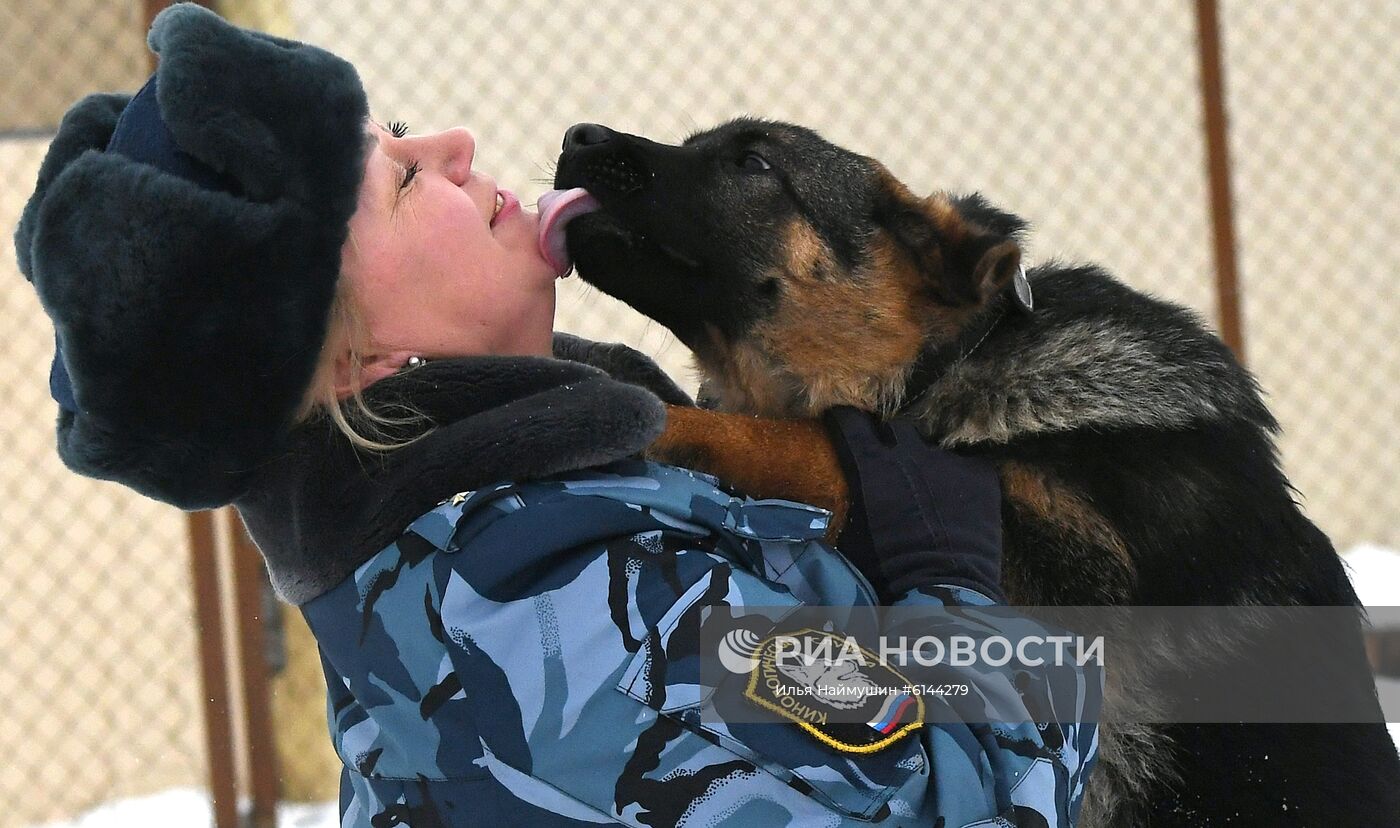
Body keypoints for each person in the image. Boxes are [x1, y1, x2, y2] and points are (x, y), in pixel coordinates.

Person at [15, 5, 1100, 826]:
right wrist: (947, 581)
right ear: (363, 359)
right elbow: (974, 796)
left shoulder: (503, 546)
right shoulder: (585, 616)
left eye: (396, 128)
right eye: (397, 179)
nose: (449, 143)